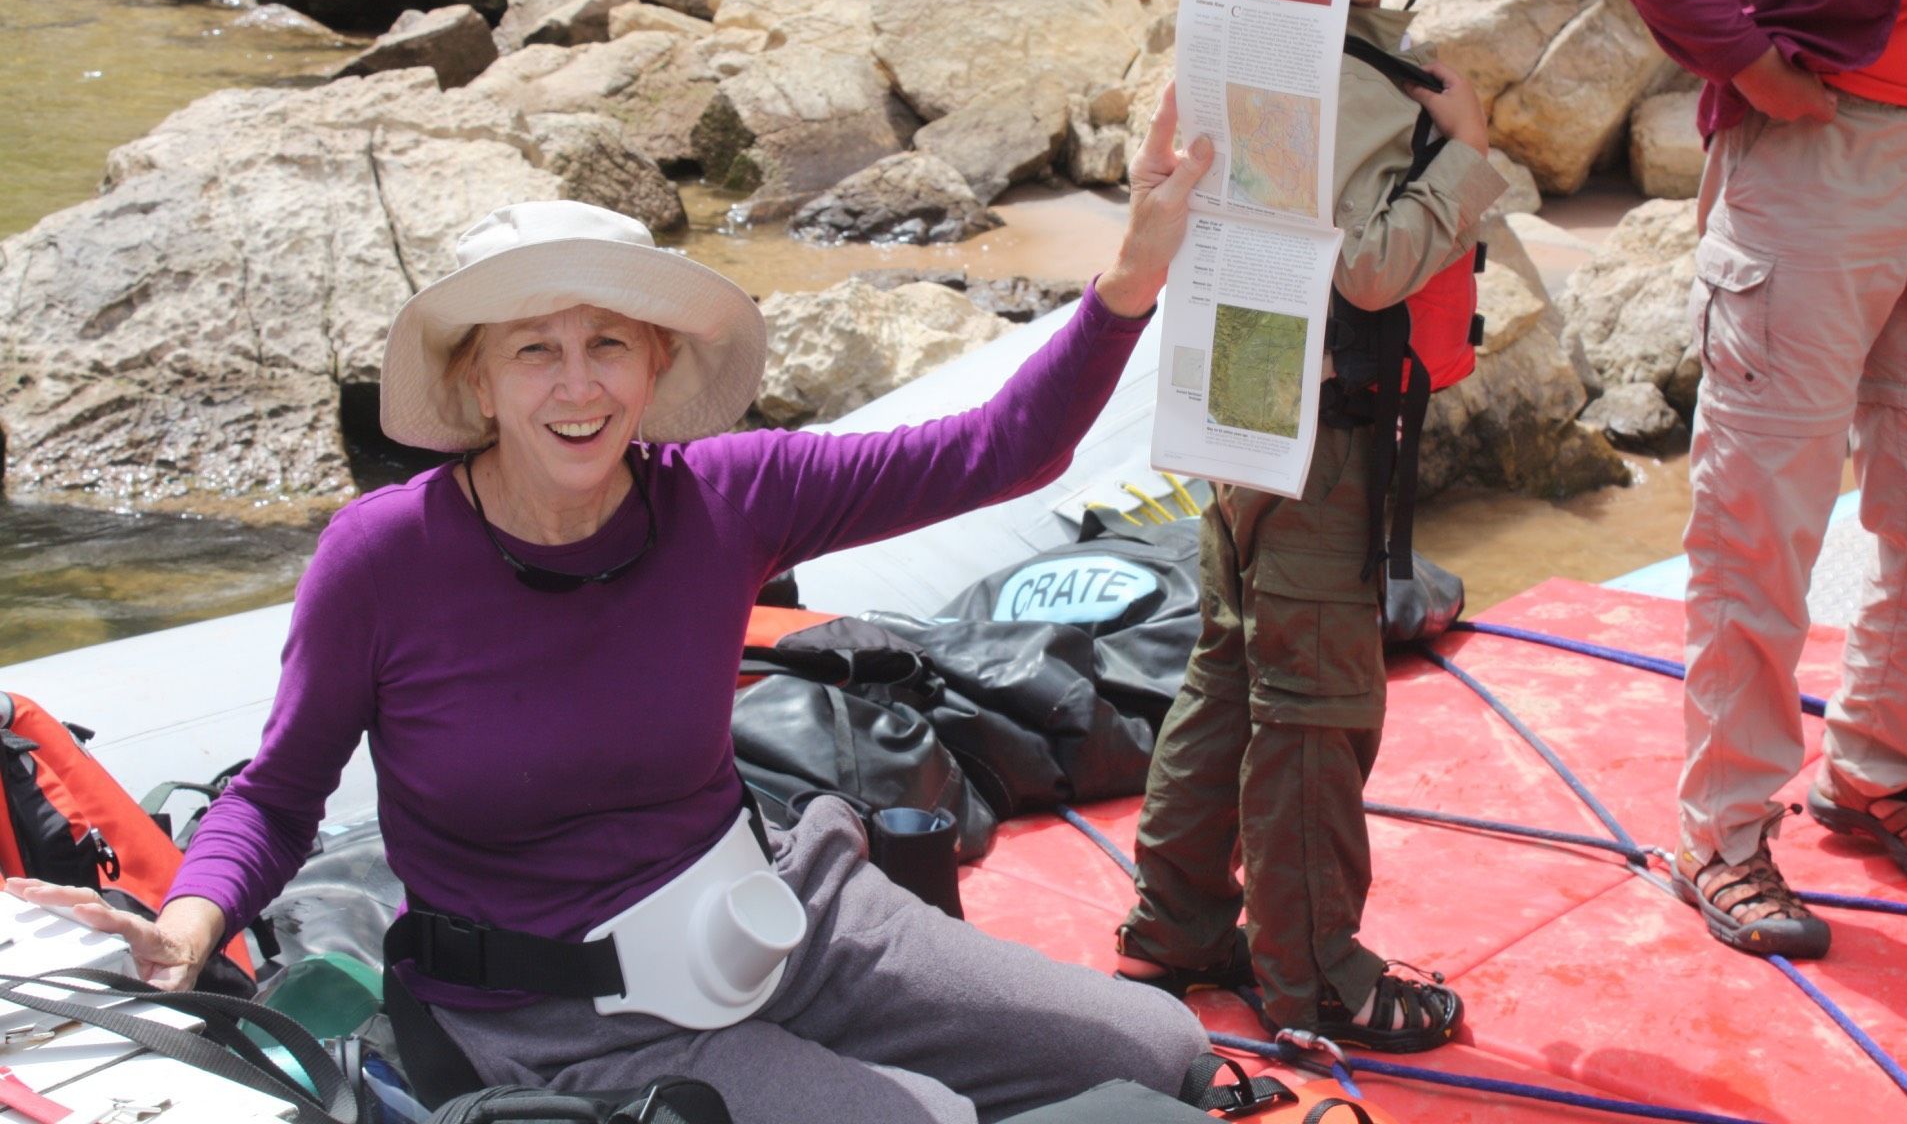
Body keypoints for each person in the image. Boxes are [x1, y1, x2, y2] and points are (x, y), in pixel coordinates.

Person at [5, 91, 1219, 1124]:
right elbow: (280, 789)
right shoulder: (382, 556)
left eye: (608, 344)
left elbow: (1003, 447)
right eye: (535, 349)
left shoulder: (726, 497)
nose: (577, 385)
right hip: (562, 1010)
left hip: (777, 919)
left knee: (1162, 1051)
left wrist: (1130, 278)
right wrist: (193, 912)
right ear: (476, 377)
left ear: (655, 364)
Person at [1114, 0, 1507, 1054]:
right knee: (1315, 705)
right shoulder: (1351, 76)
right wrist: (1470, 154)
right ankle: (1316, 976)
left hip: (1242, 415)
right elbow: (1374, 264)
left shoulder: (1244, 55)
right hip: (1323, 434)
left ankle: (1176, 924)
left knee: (1229, 669)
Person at [1590, 0, 1907, 959]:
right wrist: (1749, 61)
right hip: (1819, 143)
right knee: (1762, 522)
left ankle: (1880, 767)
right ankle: (1722, 834)